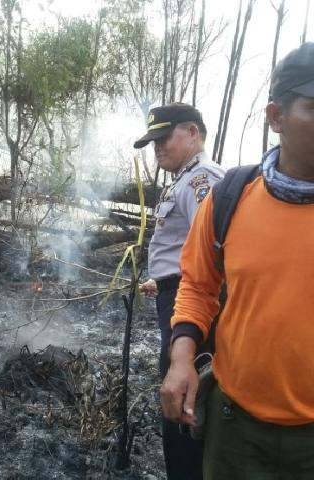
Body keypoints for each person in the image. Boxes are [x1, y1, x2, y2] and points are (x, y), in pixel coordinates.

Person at [160, 42, 314, 479]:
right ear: (276, 117)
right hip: (236, 431)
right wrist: (181, 358)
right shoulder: (231, 198)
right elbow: (197, 286)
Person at [133, 103, 224, 480]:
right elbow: (188, 249)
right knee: (179, 394)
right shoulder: (184, 180)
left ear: (192, 132)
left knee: (185, 396)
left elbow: (217, 251)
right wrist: (164, 279)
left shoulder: (204, 180)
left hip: (195, 306)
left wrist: (181, 285)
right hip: (176, 294)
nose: (157, 148)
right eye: (152, 141)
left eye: (163, 137)